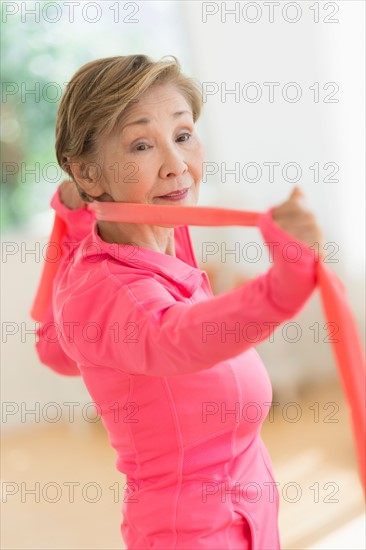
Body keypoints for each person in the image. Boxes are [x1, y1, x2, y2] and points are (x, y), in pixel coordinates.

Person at [35, 54, 323, 549]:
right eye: (143, 145)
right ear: (87, 173)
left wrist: (81, 216)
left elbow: (58, 350)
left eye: (183, 135)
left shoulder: (164, 233)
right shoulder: (104, 288)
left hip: (250, 516)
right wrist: (285, 283)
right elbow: (175, 337)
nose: (176, 166)